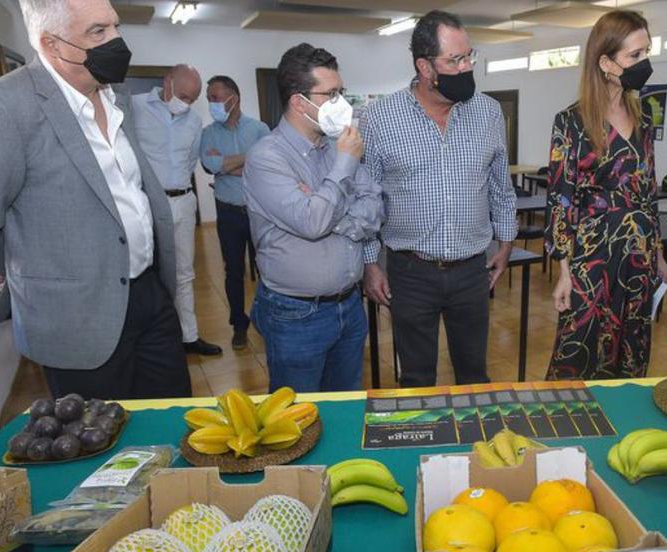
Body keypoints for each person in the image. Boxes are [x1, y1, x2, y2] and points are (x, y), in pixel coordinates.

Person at [0, 0, 191, 400]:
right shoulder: (2, 108)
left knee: (171, 418)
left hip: (149, 294)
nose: (117, 41)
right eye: (98, 32)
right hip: (78, 313)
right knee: (102, 441)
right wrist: (39, 265)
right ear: (51, 44)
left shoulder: (115, 96)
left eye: (115, 27)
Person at [361, 10, 517, 387]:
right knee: (415, 379)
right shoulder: (381, 118)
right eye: (454, 60)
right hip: (410, 272)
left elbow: (500, 185)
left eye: (469, 57)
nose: (466, 68)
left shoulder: (488, 112)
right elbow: (364, 199)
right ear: (424, 66)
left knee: (474, 374)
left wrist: (506, 243)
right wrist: (370, 263)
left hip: (471, 272)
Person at [244, 44, 382, 393]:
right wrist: (344, 167)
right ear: (298, 101)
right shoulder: (267, 158)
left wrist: (330, 211)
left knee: (345, 408)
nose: (342, 104)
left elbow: (374, 207)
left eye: (342, 92)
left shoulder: (334, 146)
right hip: (296, 315)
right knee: (298, 421)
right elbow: (312, 222)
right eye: (331, 94)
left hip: (349, 307)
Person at [545, 10, 667, 381]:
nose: (644, 63)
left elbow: (648, 187)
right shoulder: (570, 122)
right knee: (580, 348)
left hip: (638, 255)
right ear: (605, 62)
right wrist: (564, 271)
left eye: (647, 52)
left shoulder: (644, 116)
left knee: (630, 348)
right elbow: (560, 200)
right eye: (635, 55)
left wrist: (658, 255)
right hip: (592, 256)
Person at [131, 64, 221, 356]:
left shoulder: (193, 121)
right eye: (183, 95)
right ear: (167, 82)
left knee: (184, 273)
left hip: (183, 201)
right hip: (147, 204)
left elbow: (192, 160)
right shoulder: (134, 107)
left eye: (193, 99)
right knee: (149, 272)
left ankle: (189, 336)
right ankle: (156, 340)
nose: (186, 103)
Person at [200, 75, 270, 351]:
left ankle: (265, 320)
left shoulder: (259, 128)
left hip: (258, 210)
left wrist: (227, 164)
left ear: (233, 98)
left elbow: (266, 166)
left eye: (215, 98)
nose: (211, 104)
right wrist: (248, 158)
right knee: (233, 271)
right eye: (209, 99)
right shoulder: (208, 134)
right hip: (227, 211)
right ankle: (238, 326)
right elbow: (210, 164)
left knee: (266, 268)